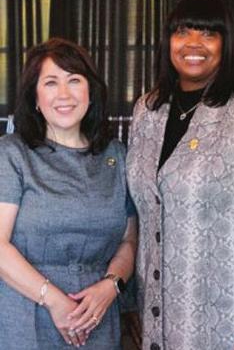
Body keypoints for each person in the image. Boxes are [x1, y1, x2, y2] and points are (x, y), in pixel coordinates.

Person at [126, 0, 234, 350]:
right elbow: (142, 213)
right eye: (183, 32)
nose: (193, 43)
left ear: (226, 43)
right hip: (159, 317)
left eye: (208, 33)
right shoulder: (147, 109)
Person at [0, 38, 137, 349]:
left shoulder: (117, 156)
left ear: (90, 91)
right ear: (35, 97)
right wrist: (54, 300)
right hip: (26, 313)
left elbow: (130, 240)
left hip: (96, 317)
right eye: (50, 83)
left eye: (74, 80)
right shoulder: (11, 153)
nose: (64, 94)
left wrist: (111, 286)